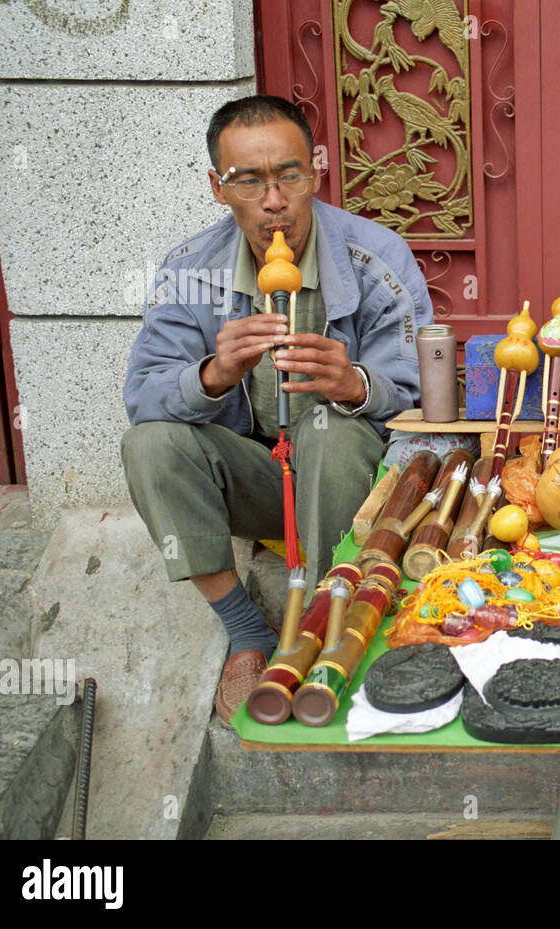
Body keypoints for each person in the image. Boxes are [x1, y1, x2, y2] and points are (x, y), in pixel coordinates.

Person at [121, 95, 433, 725]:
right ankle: (251, 632)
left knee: (326, 425)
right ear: (218, 187)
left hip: (354, 479)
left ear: (315, 173)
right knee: (149, 444)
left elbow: (421, 385)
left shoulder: (377, 257)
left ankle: (323, 620)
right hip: (259, 479)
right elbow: (143, 396)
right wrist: (214, 373)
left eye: (289, 175)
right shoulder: (190, 271)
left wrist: (354, 383)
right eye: (248, 181)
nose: (273, 200)